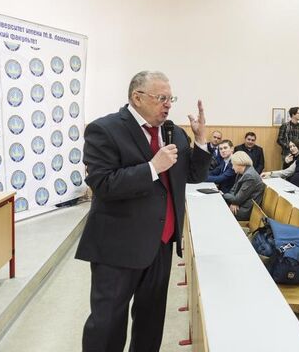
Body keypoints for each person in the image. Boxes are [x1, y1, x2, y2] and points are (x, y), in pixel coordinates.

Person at [76, 71, 212, 351]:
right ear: (137, 98)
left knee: (150, 323)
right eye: (161, 98)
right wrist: (152, 168)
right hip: (118, 247)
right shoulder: (105, 129)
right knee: (107, 325)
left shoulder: (173, 131)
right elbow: (102, 184)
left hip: (160, 245)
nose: (167, 104)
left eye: (169, 98)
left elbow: (195, 175)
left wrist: (200, 141)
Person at [222, 151, 265, 221]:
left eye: (233, 164)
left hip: (243, 211)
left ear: (239, 164)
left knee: (219, 212)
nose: (232, 167)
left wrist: (223, 194)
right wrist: (234, 202)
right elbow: (233, 190)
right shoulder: (241, 173)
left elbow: (237, 199)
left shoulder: (249, 176)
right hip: (239, 205)